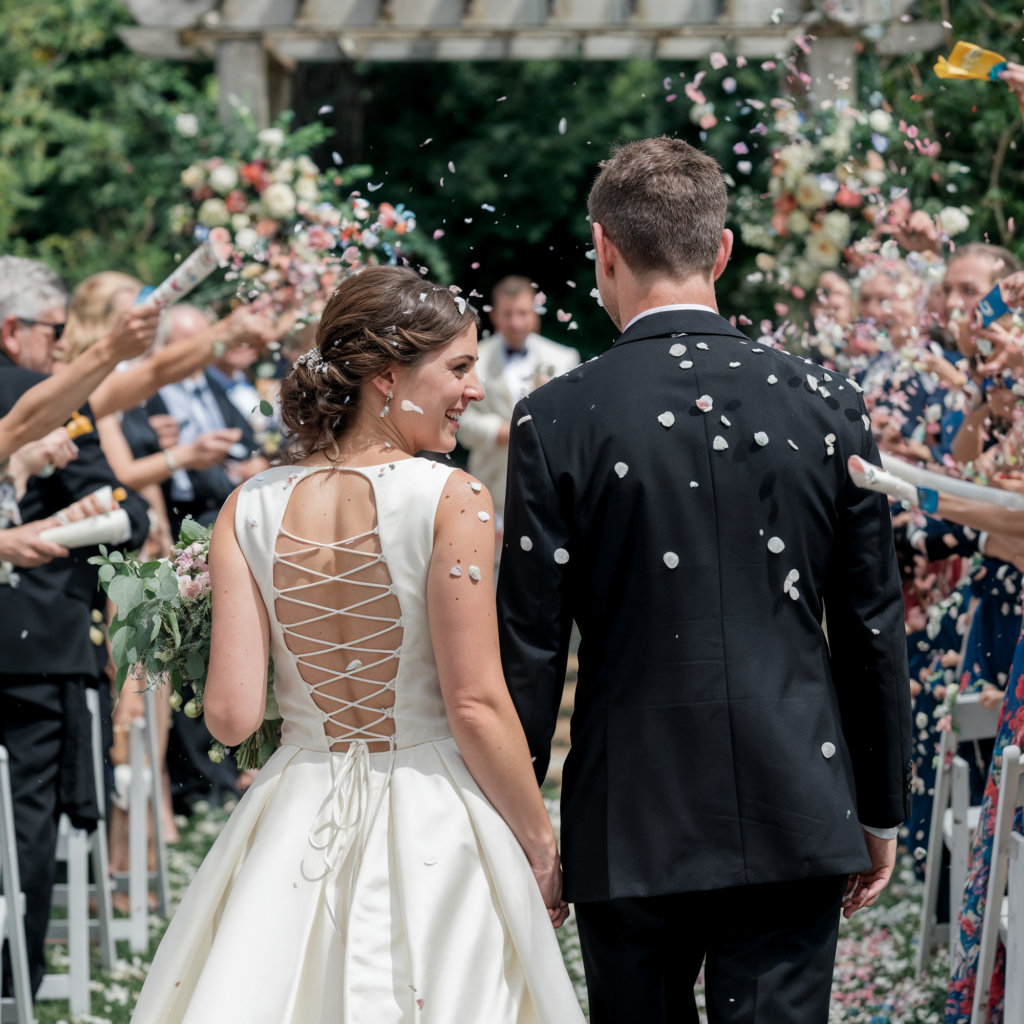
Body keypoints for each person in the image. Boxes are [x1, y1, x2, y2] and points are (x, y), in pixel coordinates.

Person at [496, 137, 911, 1022]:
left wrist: (523, 823)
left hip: (628, 810)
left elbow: (530, 644)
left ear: (603, 248)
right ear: (722, 251)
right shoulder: (829, 403)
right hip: (799, 795)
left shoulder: (558, 416)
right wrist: (880, 804)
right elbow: (871, 622)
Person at [130, 265, 584, 1024]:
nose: (475, 392)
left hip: (295, 812)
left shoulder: (247, 505)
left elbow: (233, 717)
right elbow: (473, 702)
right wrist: (540, 844)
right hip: (434, 814)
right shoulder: (453, 497)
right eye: (459, 369)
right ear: (386, 375)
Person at [0, 256, 152, 996]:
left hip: (34, 636)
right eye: (52, 333)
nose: (56, 347)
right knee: (27, 817)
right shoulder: (44, 397)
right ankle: (15, 978)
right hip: (36, 643)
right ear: (13, 329)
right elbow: (128, 509)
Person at [123, 304, 269, 535]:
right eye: (193, 339)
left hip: (231, 501)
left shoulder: (213, 386)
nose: (206, 346)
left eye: (209, 336)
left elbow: (247, 438)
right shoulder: (145, 396)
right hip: (179, 515)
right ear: (166, 345)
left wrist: (257, 462)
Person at [457, 276, 579, 522]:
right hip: (492, 491)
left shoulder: (564, 358)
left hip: (549, 491)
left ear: (536, 312)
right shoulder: (474, 359)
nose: (515, 322)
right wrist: (504, 431)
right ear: (494, 315)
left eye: (523, 313)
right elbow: (462, 423)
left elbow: (573, 425)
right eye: (507, 314)